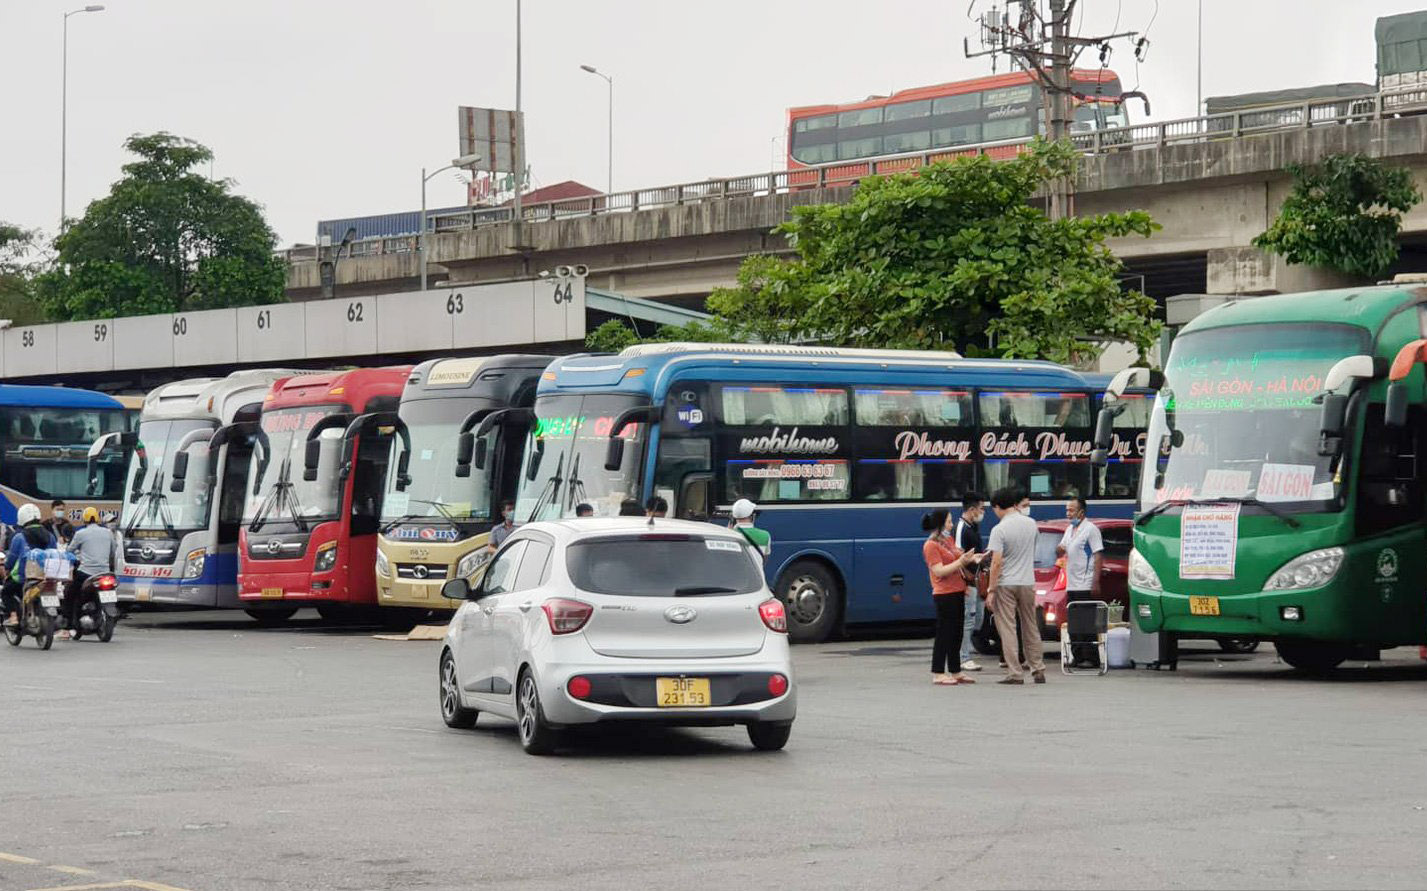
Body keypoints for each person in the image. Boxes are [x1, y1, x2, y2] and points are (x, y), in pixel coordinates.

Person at [986, 486, 1046, 685]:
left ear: (997, 506)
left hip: (1006, 583)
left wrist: (991, 590)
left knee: (1008, 628)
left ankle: (1015, 672)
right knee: (1030, 625)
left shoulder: (999, 529)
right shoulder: (1031, 524)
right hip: (1027, 581)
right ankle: (1038, 669)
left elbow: (996, 562)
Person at [922, 509, 983, 686]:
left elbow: (959, 556)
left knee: (957, 633)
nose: (951, 525)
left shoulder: (947, 541)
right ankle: (938, 671)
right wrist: (961, 562)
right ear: (940, 525)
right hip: (944, 593)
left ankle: (956, 670)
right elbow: (939, 571)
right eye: (948, 522)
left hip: (958, 590)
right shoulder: (930, 546)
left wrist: (972, 558)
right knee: (944, 633)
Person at [1058, 496, 1105, 669]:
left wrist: (1095, 581)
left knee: (1086, 623)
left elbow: (1098, 555)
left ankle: (1091, 658)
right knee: (1074, 623)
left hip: (1085, 583)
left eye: (1071, 510)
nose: (1068, 513)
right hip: (1072, 583)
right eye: (1067, 510)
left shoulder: (1091, 530)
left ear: (1081, 512)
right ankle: (1077, 656)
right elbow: (1062, 548)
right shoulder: (1069, 530)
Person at [2, 504, 56, 627]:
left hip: (24, 577)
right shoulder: (51, 536)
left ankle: (13, 617)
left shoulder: (19, 537)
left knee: (6, 592)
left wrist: (7, 569)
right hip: (46, 576)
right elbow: (54, 554)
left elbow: (12, 559)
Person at [66, 507, 115, 632]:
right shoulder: (108, 532)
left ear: (85, 520)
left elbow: (69, 551)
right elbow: (113, 552)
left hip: (86, 573)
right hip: (105, 572)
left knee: (70, 592)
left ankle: (69, 623)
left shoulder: (80, 533)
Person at [954, 492, 987, 673]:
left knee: (977, 619)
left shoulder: (973, 527)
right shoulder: (962, 528)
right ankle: (963, 656)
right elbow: (958, 557)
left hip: (977, 579)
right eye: (982, 509)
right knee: (968, 618)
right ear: (972, 509)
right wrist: (964, 582)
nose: (983, 513)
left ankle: (964, 648)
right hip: (968, 581)